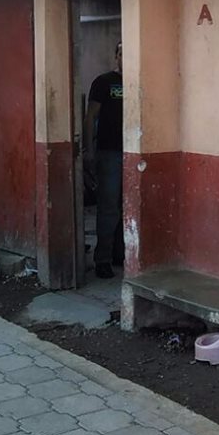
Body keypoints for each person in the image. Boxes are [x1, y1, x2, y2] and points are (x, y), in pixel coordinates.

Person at [84, 42, 124, 279]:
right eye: (121, 53)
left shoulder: (140, 79)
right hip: (109, 153)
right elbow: (90, 118)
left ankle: (121, 254)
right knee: (109, 209)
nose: (125, 58)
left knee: (127, 208)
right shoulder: (103, 82)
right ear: (116, 56)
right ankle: (103, 259)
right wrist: (88, 151)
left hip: (133, 154)